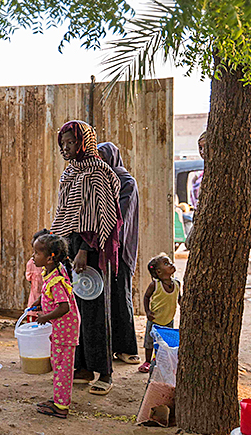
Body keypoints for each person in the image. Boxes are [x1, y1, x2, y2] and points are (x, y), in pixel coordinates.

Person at [50, 120, 121, 396]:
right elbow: (65, 213)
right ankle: (83, 367)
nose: (66, 148)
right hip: (71, 246)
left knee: (95, 312)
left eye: (71, 142)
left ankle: (104, 372)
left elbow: (104, 215)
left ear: (84, 143)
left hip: (91, 248)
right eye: (63, 143)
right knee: (74, 310)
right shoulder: (71, 172)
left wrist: (85, 249)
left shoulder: (99, 172)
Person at [97, 142, 141, 365]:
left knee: (121, 295)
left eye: (103, 159)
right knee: (102, 297)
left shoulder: (126, 182)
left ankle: (127, 348)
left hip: (119, 248)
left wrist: (105, 237)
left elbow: (121, 217)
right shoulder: (99, 181)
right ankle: (109, 347)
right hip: (101, 246)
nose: (100, 163)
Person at [30, 233, 80, 419]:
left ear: (50, 258)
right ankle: (59, 399)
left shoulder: (56, 280)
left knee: (62, 368)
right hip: (63, 328)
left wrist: (45, 317)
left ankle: (61, 407)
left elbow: (64, 307)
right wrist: (40, 301)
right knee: (59, 365)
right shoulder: (54, 271)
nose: (33, 256)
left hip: (65, 330)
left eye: (37, 253)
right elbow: (51, 296)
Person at [140, 253, 181, 373]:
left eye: (170, 262)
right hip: (155, 319)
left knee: (165, 342)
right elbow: (146, 297)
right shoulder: (155, 285)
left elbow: (179, 298)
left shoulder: (177, 284)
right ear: (158, 272)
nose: (171, 264)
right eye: (166, 263)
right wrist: (147, 311)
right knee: (149, 342)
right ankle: (147, 361)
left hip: (168, 319)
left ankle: (160, 361)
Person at [24, 230, 48, 322]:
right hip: (40, 307)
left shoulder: (31, 263)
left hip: (45, 310)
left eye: (37, 252)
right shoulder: (32, 263)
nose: (33, 255)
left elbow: (29, 279)